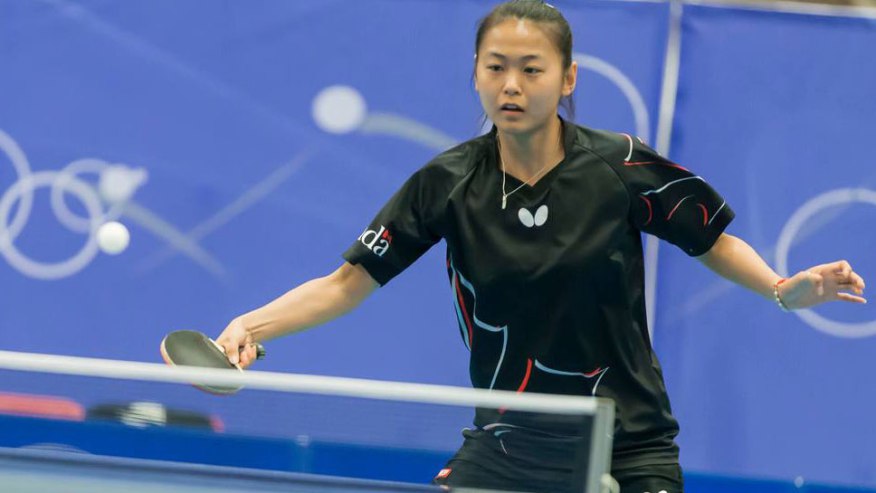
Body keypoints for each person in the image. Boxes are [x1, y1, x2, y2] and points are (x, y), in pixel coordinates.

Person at [215, 1, 867, 492]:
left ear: (569, 77)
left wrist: (784, 290)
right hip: (508, 443)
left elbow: (711, 240)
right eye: (496, 68)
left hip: (626, 441)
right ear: (475, 73)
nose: (512, 86)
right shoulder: (447, 183)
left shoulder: (621, 165)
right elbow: (345, 283)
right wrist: (249, 323)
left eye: (532, 69)